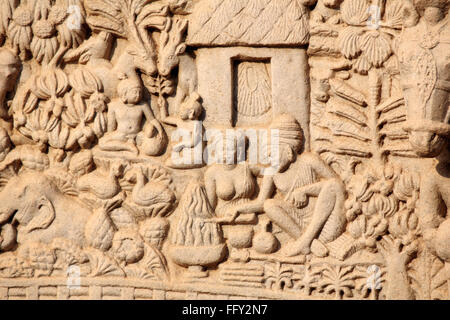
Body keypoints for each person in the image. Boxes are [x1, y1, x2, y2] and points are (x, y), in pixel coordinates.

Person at [232, 114, 346, 256]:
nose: (269, 159)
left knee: (334, 185)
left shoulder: (309, 160)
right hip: (299, 227)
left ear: (288, 150)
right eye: (266, 155)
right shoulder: (272, 171)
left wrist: (305, 190)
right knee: (269, 204)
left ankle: (304, 242)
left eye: (271, 153)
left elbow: (337, 186)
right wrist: (239, 209)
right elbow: (261, 203)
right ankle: (306, 241)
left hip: (326, 226)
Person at [99, 78, 159, 156]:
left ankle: (132, 144)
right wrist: (110, 135)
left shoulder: (143, 105)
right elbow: (111, 127)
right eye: (134, 92)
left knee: (151, 146)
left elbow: (152, 119)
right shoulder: (114, 106)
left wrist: (160, 130)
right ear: (124, 94)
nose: (138, 95)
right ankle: (127, 147)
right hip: (121, 135)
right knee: (102, 143)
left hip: (137, 136)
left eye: (140, 92)